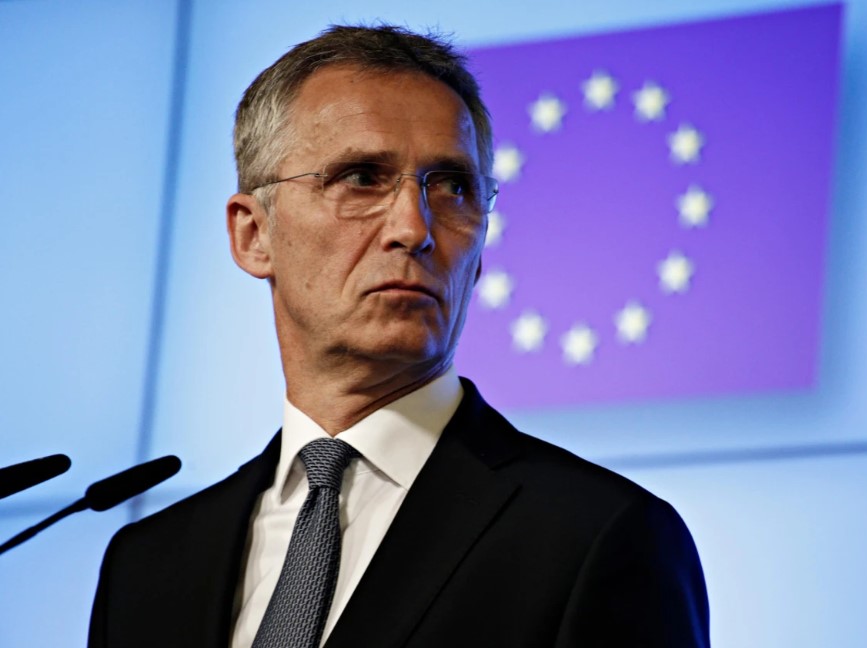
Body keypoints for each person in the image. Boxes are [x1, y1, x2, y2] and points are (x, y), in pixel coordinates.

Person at [89, 25, 709, 648]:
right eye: (361, 177)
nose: (415, 229)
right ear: (254, 235)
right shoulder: (146, 567)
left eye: (454, 188)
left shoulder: (598, 536)